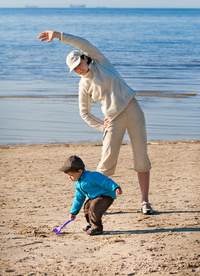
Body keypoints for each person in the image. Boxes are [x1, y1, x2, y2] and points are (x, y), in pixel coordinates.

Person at [38, 30, 153, 215]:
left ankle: (145, 202)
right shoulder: (83, 85)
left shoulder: (101, 63)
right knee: (105, 164)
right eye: (74, 69)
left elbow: (82, 42)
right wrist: (102, 125)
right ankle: (98, 202)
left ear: (85, 58)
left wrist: (58, 35)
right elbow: (84, 113)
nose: (79, 69)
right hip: (114, 120)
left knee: (141, 158)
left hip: (134, 112)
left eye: (79, 64)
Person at [59, 155, 122, 235]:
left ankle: (97, 228)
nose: (70, 178)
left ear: (79, 172)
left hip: (106, 196)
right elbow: (79, 198)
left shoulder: (92, 176)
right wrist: (74, 212)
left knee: (94, 208)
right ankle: (91, 225)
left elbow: (106, 181)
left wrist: (115, 187)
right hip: (96, 197)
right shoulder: (78, 183)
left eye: (71, 175)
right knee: (87, 207)